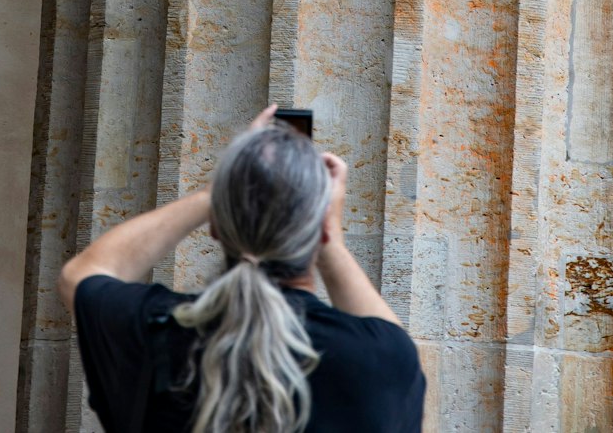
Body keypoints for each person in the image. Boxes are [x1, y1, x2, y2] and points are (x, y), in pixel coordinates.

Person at [60, 107, 425, 433]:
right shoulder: (379, 361)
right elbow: (390, 336)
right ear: (323, 227)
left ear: (217, 227)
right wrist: (330, 238)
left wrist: (215, 193)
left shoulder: (154, 330)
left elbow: (84, 272)